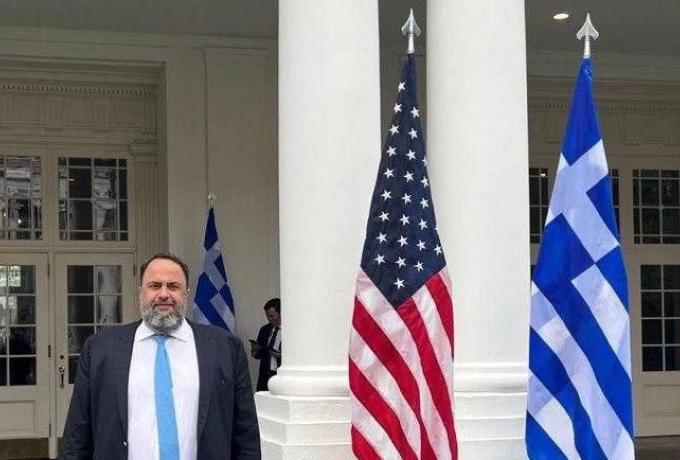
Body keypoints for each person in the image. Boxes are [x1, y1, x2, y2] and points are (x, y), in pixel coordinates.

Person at [61, 253, 260, 460]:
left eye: (173, 286)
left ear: (186, 293)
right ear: (141, 291)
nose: (164, 294)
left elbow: (246, 434)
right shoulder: (100, 348)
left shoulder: (226, 348)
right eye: (155, 285)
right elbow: (77, 433)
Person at [250, 298, 281, 391]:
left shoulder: (291, 330)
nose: (269, 319)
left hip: (281, 375)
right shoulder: (265, 329)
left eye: (272, 316)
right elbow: (260, 354)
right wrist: (255, 351)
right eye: (267, 316)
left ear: (281, 313)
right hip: (265, 376)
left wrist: (281, 355)